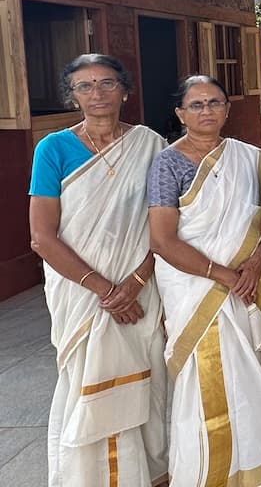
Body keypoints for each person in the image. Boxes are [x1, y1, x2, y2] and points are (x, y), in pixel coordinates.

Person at [28, 53, 169, 487]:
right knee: (88, 375)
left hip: (141, 286)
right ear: (72, 96)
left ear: (125, 91)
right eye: (85, 86)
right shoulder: (53, 149)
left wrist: (137, 280)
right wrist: (106, 290)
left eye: (107, 83)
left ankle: (151, 473)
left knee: (150, 373)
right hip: (83, 293)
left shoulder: (150, 145)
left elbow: (166, 225)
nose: (97, 93)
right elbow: (42, 237)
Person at [147, 75, 261, 487]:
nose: (207, 111)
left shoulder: (248, 158)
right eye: (197, 104)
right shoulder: (167, 164)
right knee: (204, 380)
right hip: (193, 286)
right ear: (180, 114)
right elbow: (162, 239)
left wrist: (255, 262)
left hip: (241, 284)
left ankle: (250, 467)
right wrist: (223, 275)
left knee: (244, 378)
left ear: (227, 108)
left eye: (214, 102)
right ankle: (205, 474)